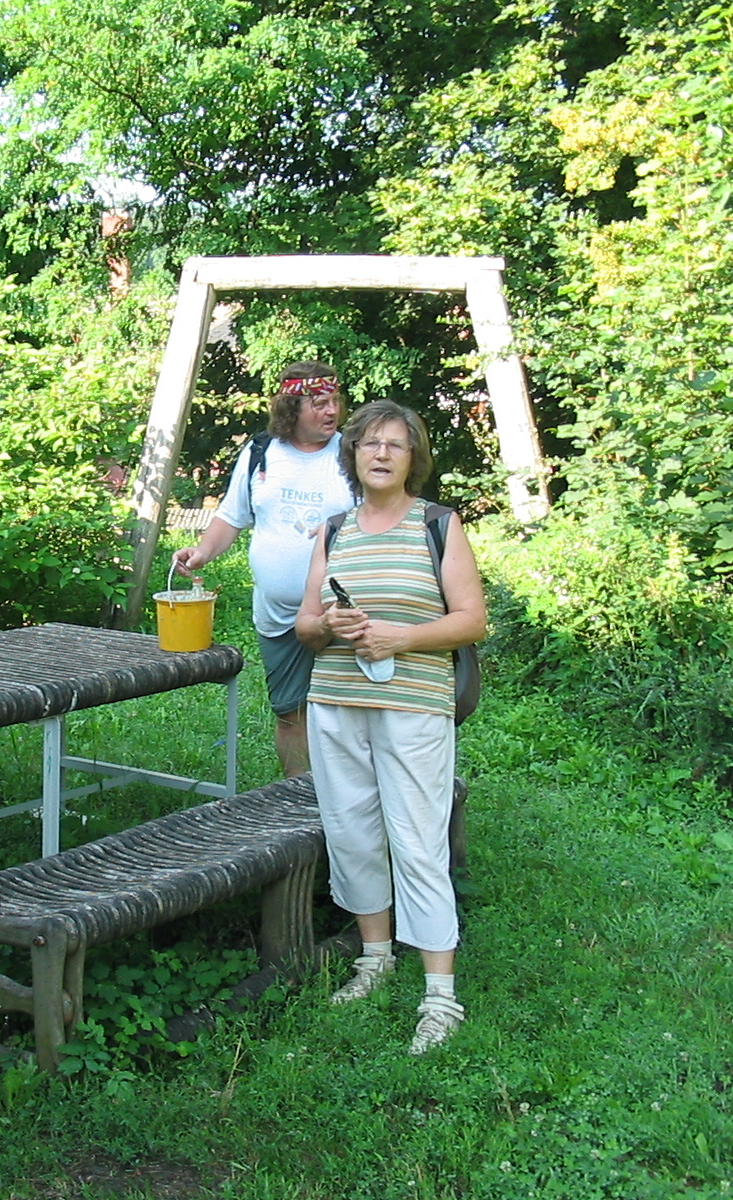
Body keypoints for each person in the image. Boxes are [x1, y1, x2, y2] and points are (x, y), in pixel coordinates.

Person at [294, 400, 486, 1054]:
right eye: (369, 443)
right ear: (351, 455)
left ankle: (440, 995)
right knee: (351, 829)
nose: (380, 454)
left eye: (395, 446)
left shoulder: (438, 524)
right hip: (337, 702)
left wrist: (403, 636)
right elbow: (305, 626)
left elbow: (471, 620)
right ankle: (375, 957)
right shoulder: (333, 529)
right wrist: (329, 625)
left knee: (416, 835)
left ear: (413, 459)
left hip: (413, 705)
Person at [172, 362, 354, 776]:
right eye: (319, 403)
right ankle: (299, 799)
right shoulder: (260, 452)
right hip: (277, 616)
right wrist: (202, 552)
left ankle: (348, 803)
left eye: (334, 402)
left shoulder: (352, 454)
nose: (331, 412)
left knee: (345, 716)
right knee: (290, 712)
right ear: (292, 406)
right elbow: (232, 516)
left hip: (341, 613)